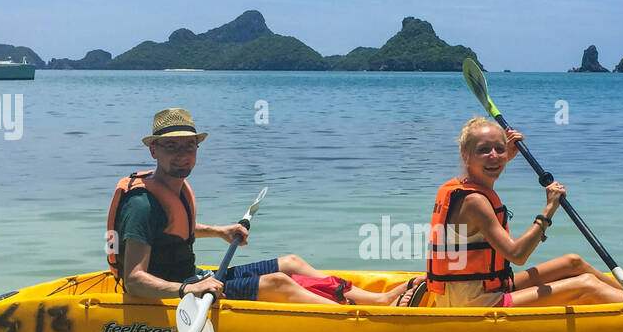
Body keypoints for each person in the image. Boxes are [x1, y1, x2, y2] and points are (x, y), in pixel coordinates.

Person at [109, 108, 420, 305]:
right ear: (154, 151)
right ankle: (355, 319)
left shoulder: (175, 189)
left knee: (293, 262)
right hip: (175, 293)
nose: (182, 154)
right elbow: (134, 279)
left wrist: (220, 231)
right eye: (171, 146)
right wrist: (186, 291)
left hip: (198, 278)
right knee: (278, 282)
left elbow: (175, 232)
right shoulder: (141, 204)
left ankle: (377, 301)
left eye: (189, 146)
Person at [424, 117, 623, 307]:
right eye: (484, 150)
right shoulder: (474, 202)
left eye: (499, 149)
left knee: (572, 262)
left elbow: (488, 171)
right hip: (475, 301)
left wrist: (508, 156)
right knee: (584, 284)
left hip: (483, 287)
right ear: (466, 155)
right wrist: (549, 208)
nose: (494, 157)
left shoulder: (464, 186)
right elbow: (518, 255)